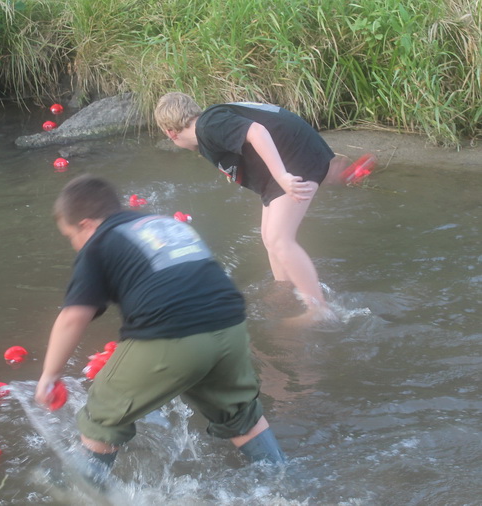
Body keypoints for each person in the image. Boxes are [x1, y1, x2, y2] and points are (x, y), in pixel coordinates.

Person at [35, 174, 284, 483]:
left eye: (71, 236)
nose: (75, 246)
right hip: (230, 327)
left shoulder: (99, 242)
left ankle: (82, 491)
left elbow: (73, 317)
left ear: (85, 224)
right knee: (239, 413)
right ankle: (282, 481)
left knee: (102, 412)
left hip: (174, 334)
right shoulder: (165, 225)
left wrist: (49, 376)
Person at [155, 92, 371, 325]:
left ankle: (318, 309)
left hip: (291, 160)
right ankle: (284, 290)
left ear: (170, 133)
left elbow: (257, 131)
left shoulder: (209, 126)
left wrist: (283, 176)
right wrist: (324, 171)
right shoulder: (211, 126)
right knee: (269, 237)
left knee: (280, 239)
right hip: (290, 160)